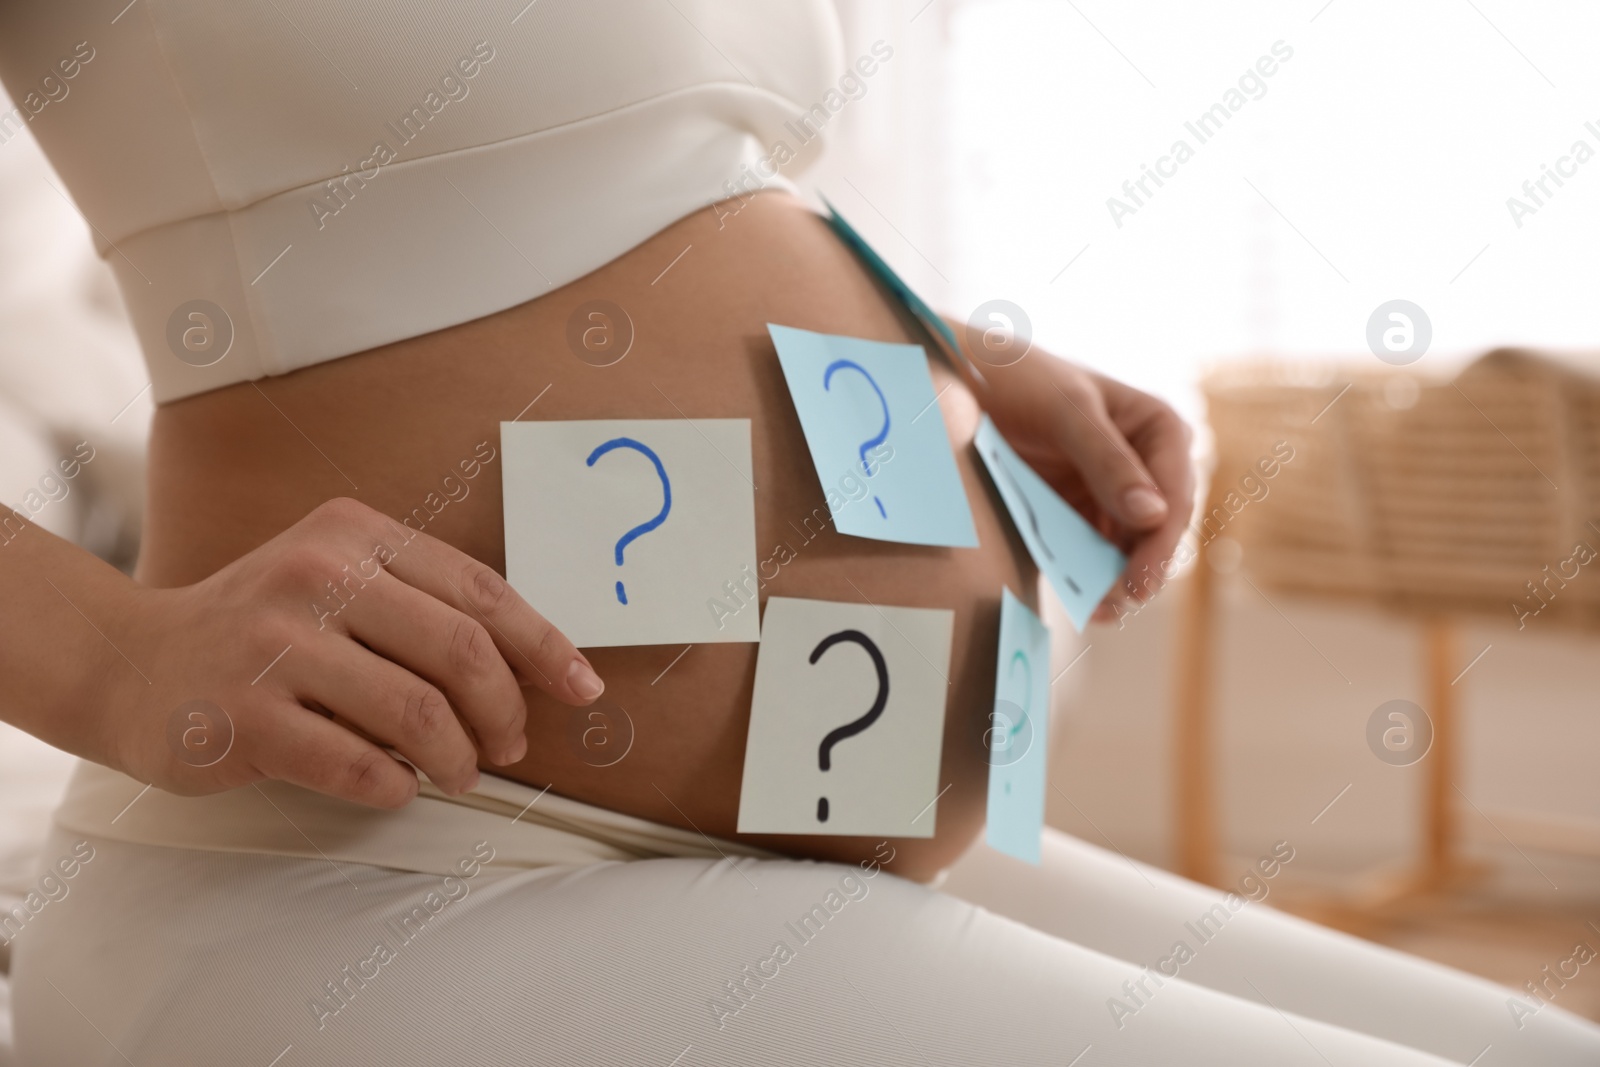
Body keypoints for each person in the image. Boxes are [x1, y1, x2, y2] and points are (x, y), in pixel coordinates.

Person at [0, 3, 1595, 1064]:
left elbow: (634, 181)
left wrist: (919, 354)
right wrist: (120, 656)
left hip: (770, 847)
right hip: (383, 859)